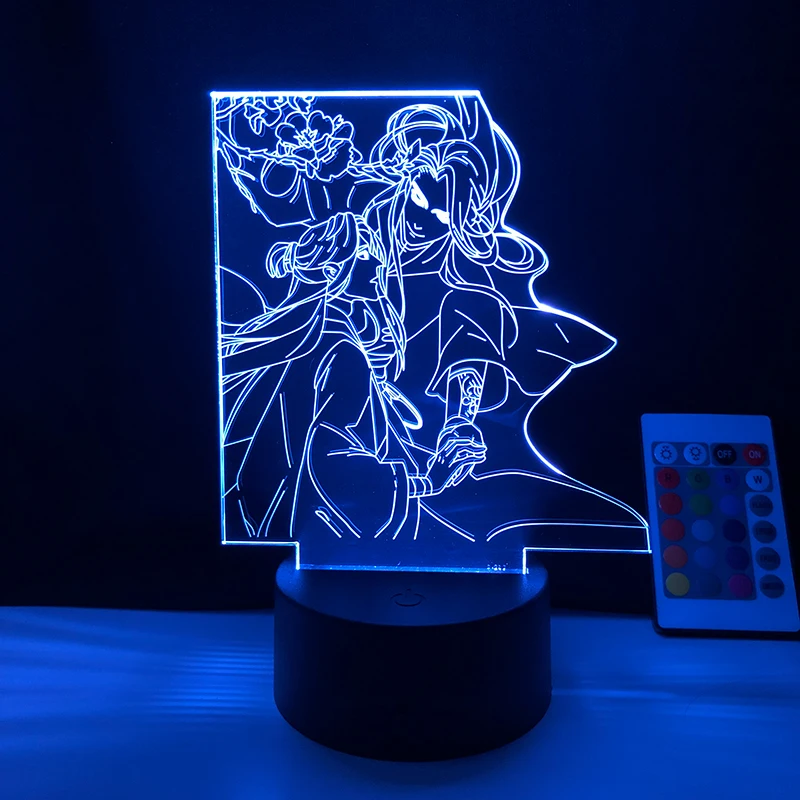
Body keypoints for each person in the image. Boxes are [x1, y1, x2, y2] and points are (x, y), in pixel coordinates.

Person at [221, 212, 487, 567]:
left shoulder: (322, 339)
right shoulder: (343, 352)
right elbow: (334, 467)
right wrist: (430, 479)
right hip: (324, 547)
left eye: (374, 252)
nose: (378, 262)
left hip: (291, 532)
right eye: (363, 253)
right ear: (333, 270)